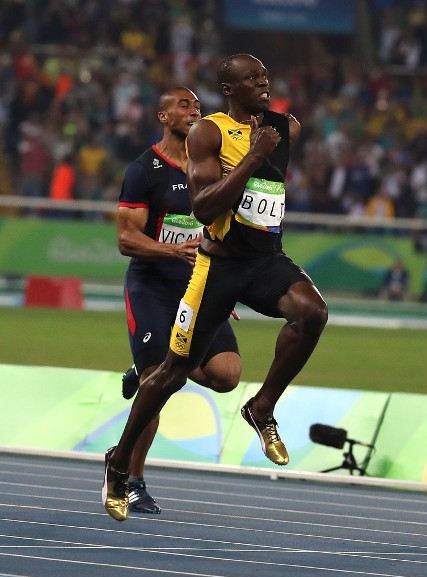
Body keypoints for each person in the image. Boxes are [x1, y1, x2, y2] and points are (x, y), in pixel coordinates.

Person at [102, 54, 328, 522]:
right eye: (251, 78)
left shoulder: (285, 128)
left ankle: (262, 407)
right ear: (229, 88)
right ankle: (120, 463)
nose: (262, 83)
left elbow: (270, 188)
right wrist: (253, 157)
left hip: (265, 261)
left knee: (312, 314)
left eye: (265, 75)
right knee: (168, 376)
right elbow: (203, 208)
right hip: (216, 271)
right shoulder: (210, 133)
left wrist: (266, 151)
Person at [115, 86, 242, 514]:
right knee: (161, 383)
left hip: (200, 286)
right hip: (151, 288)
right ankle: (132, 480)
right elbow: (126, 238)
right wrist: (173, 251)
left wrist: (228, 283)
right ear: (163, 117)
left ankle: (148, 367)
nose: (195, 111)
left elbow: (219, 233)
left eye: (199, 106)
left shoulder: (213, 169)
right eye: (184, 105)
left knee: (226, 375)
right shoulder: (144, 170)